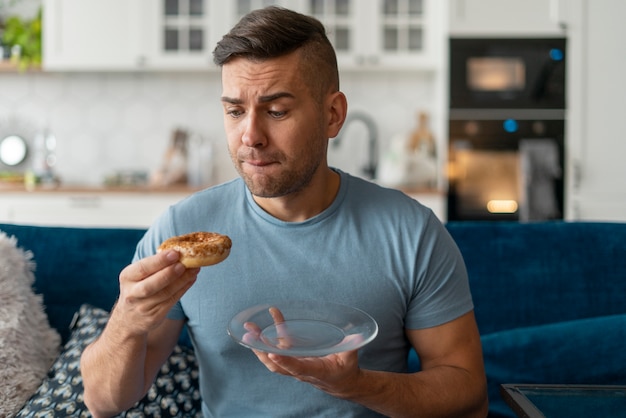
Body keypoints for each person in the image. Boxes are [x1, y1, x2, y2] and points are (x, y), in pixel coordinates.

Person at [81, 6, 488, 418]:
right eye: (235, 111)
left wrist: (356, 385)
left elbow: (468, 392)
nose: (251, 136)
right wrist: (125, 323)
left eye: (276, 111)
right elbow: (103, 403)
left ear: (333, 115)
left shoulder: (411, 232)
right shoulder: (182, 229)